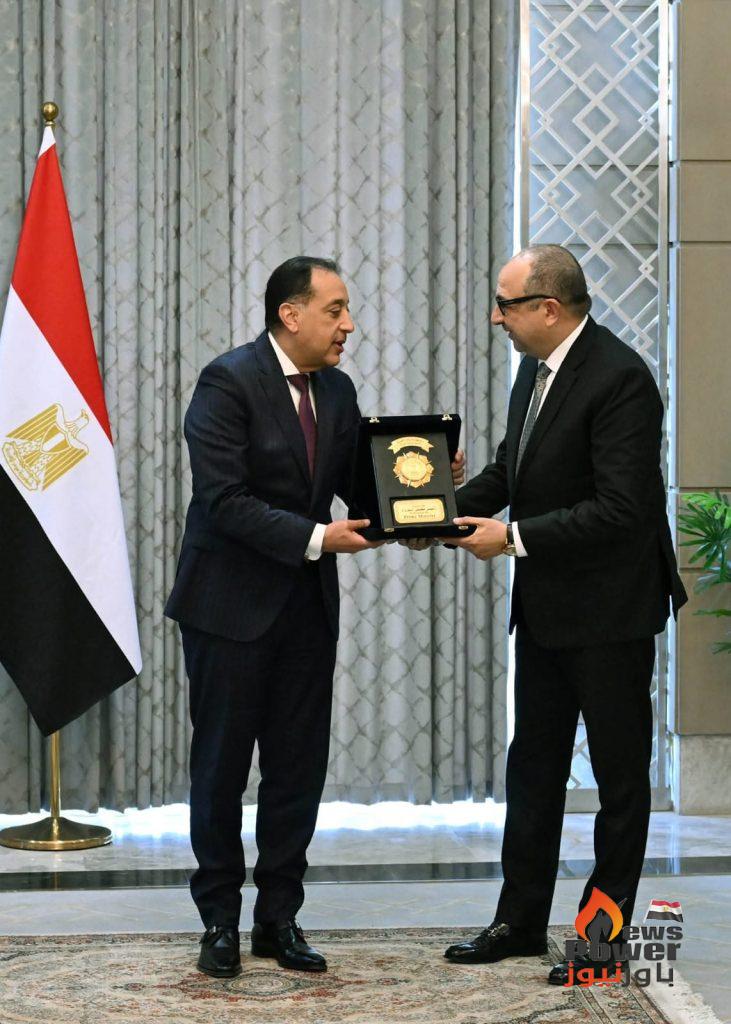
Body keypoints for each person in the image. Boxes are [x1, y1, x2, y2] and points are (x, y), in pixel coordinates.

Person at [441, 244, 686, 984]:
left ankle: (601, 945)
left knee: (618, 785)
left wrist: (511, 538)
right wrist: (432, 513)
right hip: (547, 609)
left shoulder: (621, 378)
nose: (496, 318)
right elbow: (508, 471)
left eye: (505, 304)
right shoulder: (533, 369)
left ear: (548, 308)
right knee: (533, 771)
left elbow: (621, 509)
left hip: (611, 614)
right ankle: (518, 923)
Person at [165, 257, 380, 977]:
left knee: (296, 770)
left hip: (305, 611)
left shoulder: (338, 391)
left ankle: (278, 919)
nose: (348, 325)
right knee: (221, 769)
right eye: (335, 310)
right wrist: (317, 537)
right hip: (228, 607)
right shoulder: (227, 382)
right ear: (291, 314)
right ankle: (219, 921)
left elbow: (360, 491)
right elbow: (224, 500)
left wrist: (422, 486)